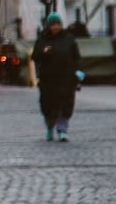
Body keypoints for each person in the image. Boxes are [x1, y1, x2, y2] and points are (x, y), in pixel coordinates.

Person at [30, 12, 80, 142]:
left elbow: (76, 56)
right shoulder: (42, 39)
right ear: (48, 26)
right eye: (53, 24)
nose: (56, 27)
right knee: (48, 104)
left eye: (58, 24)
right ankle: (50, 128)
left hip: (66, 77)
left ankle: (63, 130)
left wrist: (77, 72)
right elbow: (35, 56)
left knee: (66, 104)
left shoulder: (69, 38)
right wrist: (43, 52)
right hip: (48, 78)